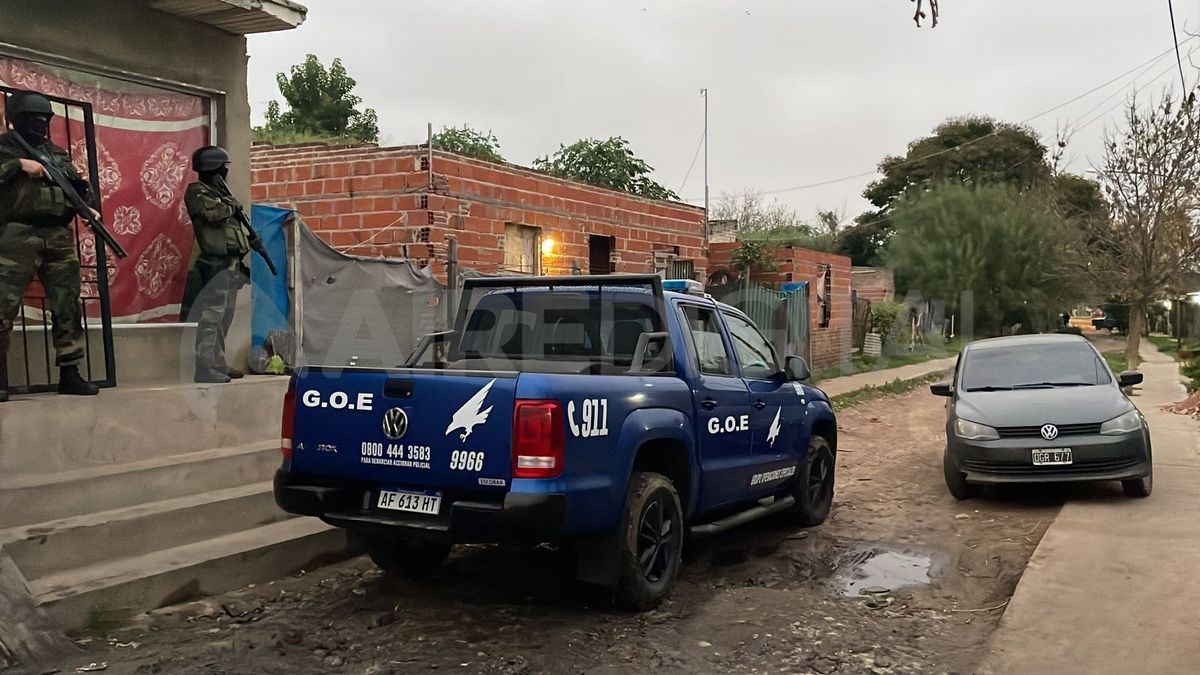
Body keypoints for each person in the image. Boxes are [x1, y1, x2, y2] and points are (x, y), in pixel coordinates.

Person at [0, 90, 100, 402]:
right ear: (15, 120)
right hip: (15, 231)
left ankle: (70, 372)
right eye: (33, 118)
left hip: (57, 233)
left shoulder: (58, 154)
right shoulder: (4, 148)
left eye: (45, 118)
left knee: (67, 304)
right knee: (3, 306)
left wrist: (86, 204)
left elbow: (77, 186)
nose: (41, 123)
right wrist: (17, 165)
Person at [185, 145, 252, 384]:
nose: (225, 171)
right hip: (214, 263)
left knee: (226, 315)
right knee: (212, 316)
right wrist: (231, 206)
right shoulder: (197, 192)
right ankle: (204, 367)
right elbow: (210, 213)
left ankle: (217, 360)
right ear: (213, 168)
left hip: (231, 262)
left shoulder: (221, 193)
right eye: (222, 167)